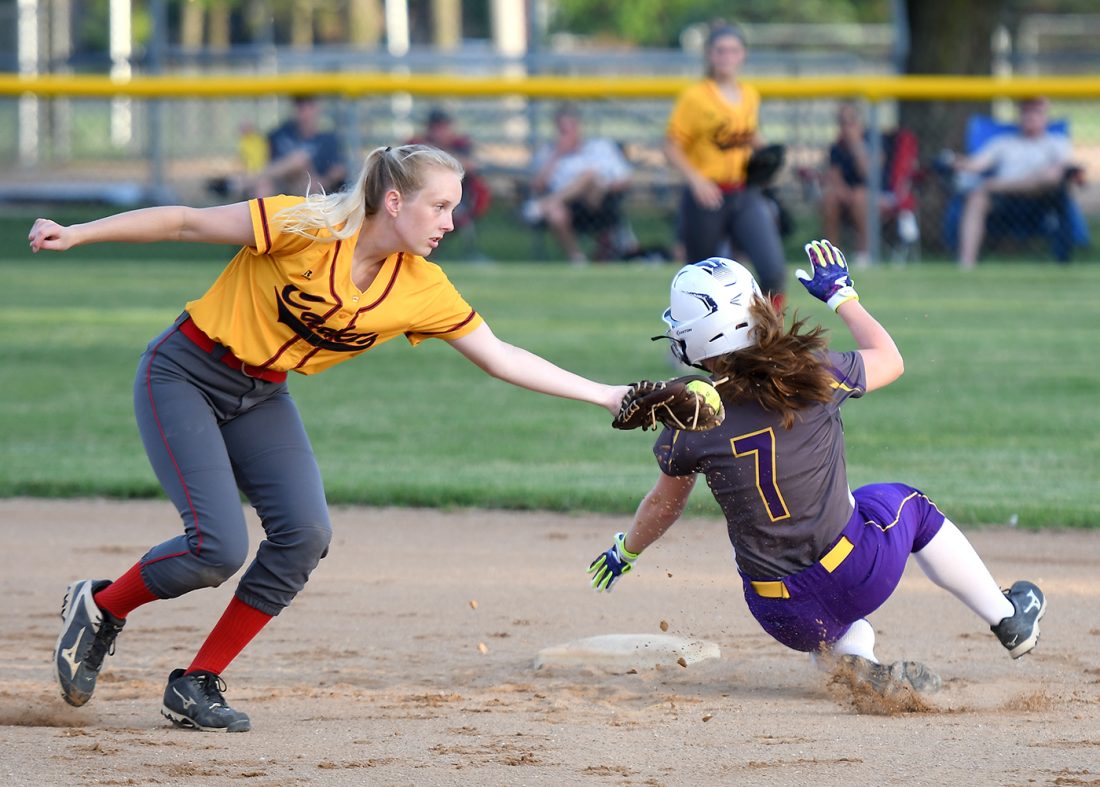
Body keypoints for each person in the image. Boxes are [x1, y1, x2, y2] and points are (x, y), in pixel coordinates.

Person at [30, 144, 631, 732]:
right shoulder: (306, 225)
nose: (451, 222)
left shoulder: (421, 286)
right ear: (393, 201)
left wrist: (608, 394)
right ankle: (101, 607)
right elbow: (186, 222)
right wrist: (78, 233)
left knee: (305, 536)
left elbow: (500, 357)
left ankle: (197, 681)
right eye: (440, 206)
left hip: (262, 395)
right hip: (184, 372)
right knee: (216, 549)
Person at [587, 240, 1046, 695]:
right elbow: (891, 361)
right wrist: (842, 296)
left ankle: (858, 661)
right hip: (857, 574)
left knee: (842, 614)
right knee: (905, 504)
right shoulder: (809, 373)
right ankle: (1007, 617)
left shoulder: (688, 421)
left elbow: (663, 506)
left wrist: (625, 552)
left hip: (780, 615)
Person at [663, 23, 787, 308]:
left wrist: (767, 152)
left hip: (744, 192)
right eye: (720, 50)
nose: (726, 57)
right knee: (699, 280)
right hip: (708, 196)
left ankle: (769, 332)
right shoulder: (695, 97)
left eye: (733, 50)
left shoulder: (749, 95)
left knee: (773, 271)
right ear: (709, 54)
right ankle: (695, 332)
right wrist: (696, 180)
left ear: (743, 54)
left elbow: (747, 133)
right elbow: (671, 145)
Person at [944, 96, 1075, 269]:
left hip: (1041, 199)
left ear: (1046, 117)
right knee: (977, 198)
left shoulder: (1056, 143)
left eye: (1036, 112)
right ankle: (967, 264)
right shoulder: (1004, 142)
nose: (1030, 117)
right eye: (1025, 112)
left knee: (1052, 176)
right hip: (1004, 201)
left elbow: (1061, 171)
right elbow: (976, 164)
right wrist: (952, 160)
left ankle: (1062, 261)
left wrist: (996, 184)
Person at [523, 104, 636, 264]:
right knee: (555, 213)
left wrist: (607, 187)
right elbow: (537, 186)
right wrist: (557, 155)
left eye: (569, 129)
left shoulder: (601, 147)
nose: (565, 134)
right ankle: (577, 258)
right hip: (570, 207)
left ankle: (543, 205)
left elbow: (625, 178)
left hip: (599, 202)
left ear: (579, 127)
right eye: (561, 130)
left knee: (589, 176)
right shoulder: (548, 151)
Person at [820, 103, 919, 267]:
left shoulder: (874, 140)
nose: (846, 127)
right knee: (830, 197)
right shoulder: (838, 148)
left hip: (882, 195)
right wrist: (843, 192)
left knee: (860, 197)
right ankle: (831, 259)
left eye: (850, 121)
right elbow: (835, 179)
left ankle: (864, 254)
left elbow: (870, 174)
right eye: (842, 122)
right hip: (850, 196)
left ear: (859, 122)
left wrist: (856, 145)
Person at [406, 108, 492, 253]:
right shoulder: (417, 143)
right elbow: (406, 165)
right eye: (436, 127)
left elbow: (470, 165)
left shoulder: (460, 143)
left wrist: (436, 155)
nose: (440, 132)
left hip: (457, 200)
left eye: (443, 127)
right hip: (423, 196)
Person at [252, 95, 348, 197]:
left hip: (315, 189)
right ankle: (254, 182)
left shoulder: (328, 139)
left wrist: (321, 182)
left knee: (300, 161)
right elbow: (270, 163)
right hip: (284, 186)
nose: (305, 113)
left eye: (309, 106)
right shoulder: (281, 134)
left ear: (317, 109)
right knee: (263, 186)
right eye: (300, 107)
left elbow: (339, 170)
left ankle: (250, 180)